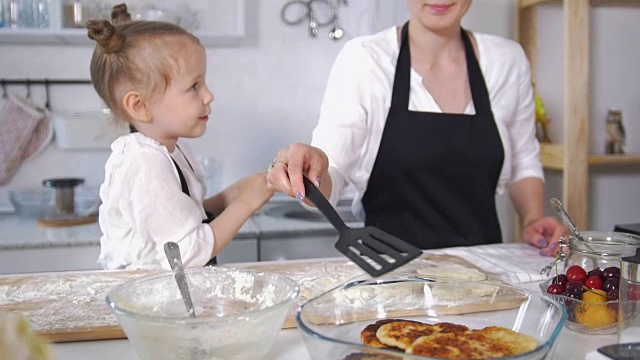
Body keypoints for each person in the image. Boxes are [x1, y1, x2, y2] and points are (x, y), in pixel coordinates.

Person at [267, 0, 565, 256]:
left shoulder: (506, 61)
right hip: (391, 280)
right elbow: (333, 174)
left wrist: (532, 218)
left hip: (482, 278)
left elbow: (524, 160)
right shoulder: (365, 60)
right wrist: (309, 174)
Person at [87, 4, 273, 270]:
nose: (209, 95)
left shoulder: (166, 151)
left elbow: (187, 218)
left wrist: (238, 192)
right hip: (148, 304)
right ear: (139, 106)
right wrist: (246, 202)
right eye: (194, 86)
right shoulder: (145, 165)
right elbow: (187, 253)